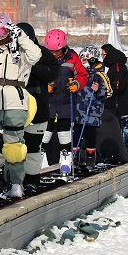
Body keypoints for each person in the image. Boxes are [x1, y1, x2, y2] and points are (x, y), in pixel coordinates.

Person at [0, 14, 41, 198]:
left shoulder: (21, 50)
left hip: (15, 102)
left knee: (14, 146)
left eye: (1, 31)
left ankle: (16, 183)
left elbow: (36, 55)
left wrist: (21, 37)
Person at [17, 22, 57, 193]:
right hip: (14, 107)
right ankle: (9, 179)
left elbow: (51, 74)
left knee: (33, 148)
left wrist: (30, 63)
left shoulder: (44, 54)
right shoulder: (9, 53)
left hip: (38, 108)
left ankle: (32, 179)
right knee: (10, 147)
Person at [43, 29, 88, 174]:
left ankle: (66, 163)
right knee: (45, 134)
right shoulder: (43, 57)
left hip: (66, 103)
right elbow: (36, 74)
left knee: (64, 134)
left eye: (56, 52)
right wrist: (45, 86)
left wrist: (77, 84)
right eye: (51, 51)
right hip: (48, 104)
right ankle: (38, 163)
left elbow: (82, 75)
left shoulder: (72, 57)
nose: (54, 54)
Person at [74, 47, 110, 170]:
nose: (82, 62)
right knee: (76, 135)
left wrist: (98, 90)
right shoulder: (80, 74)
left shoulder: (100, 75)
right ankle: (75, 159)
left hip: (92, 111)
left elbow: (108, 93)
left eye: (85, 60)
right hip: (79, 110)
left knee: (90, 136)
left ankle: (90, 161)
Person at [101, 43, 128, 156]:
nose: (102, 57)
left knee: (124, 130)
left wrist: (108, 92)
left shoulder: (117, 66)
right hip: (115, 104)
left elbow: (119, 85)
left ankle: (126, 151)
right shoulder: (113, 67)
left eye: (103, 55)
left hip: (120, 105)